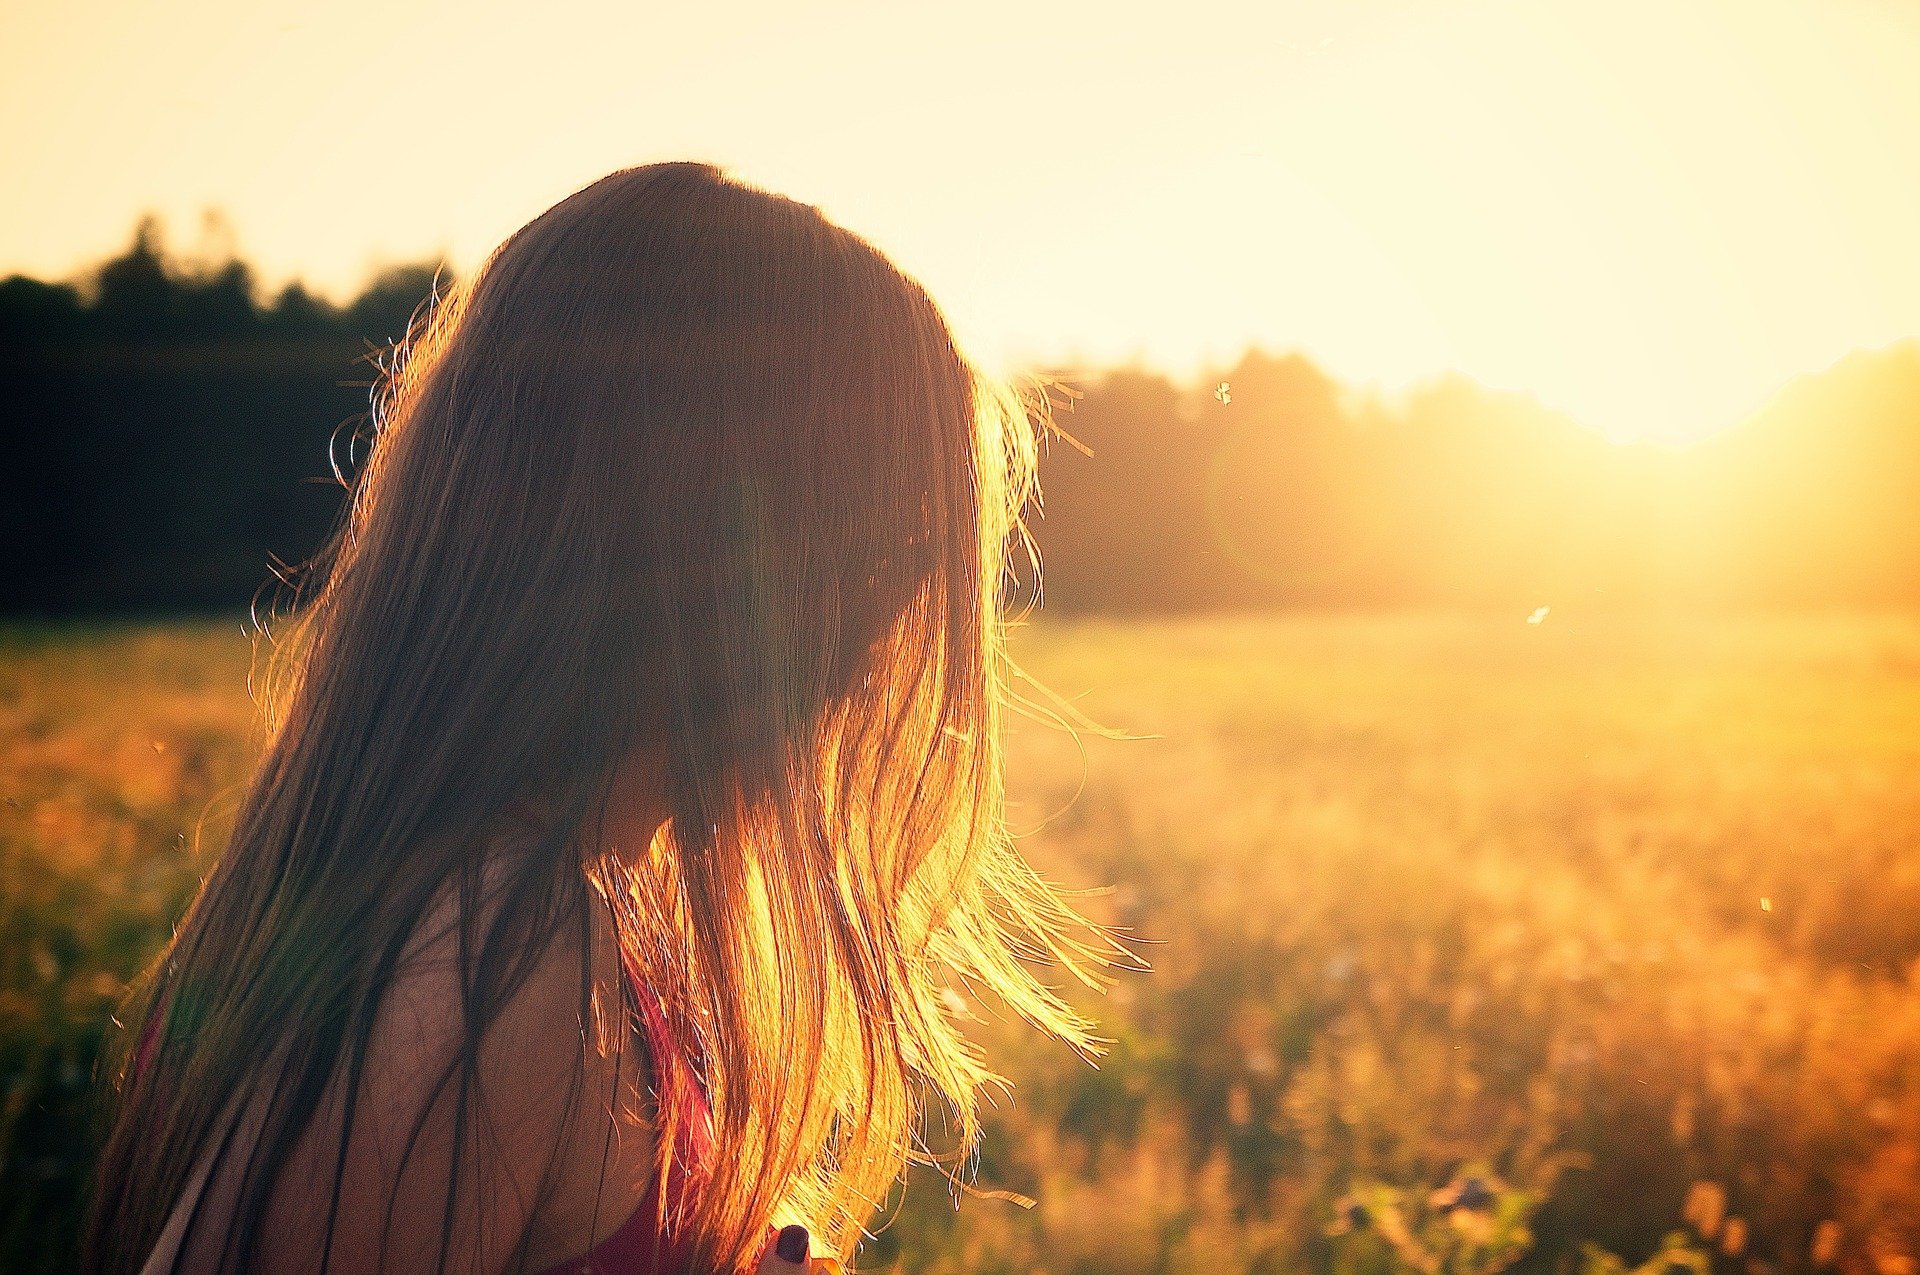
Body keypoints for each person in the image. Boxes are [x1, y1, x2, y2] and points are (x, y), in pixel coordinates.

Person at [84, 162, 1119, 1274]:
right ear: (742, 570)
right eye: (892, 560)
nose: (884, 650)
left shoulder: (466, 903)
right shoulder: (491, 954)